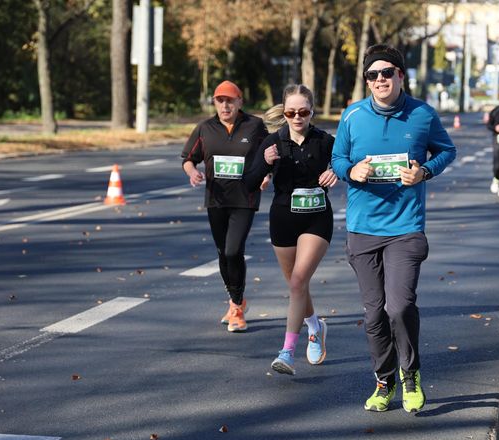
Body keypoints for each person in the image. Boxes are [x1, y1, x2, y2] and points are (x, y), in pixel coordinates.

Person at [331, 44, 456, 413]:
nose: (380, 79)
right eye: (373, 75)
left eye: (387, 73)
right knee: (373, 314)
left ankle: (410, 373)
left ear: (401, 75)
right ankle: (383, 382)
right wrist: (350, 171)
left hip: (405, 227)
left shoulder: (422, 114)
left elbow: (446, 150)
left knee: (398, 306)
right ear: (367, 80)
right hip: (363, 228)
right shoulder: (352, 116)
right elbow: (338, 158)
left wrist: (424, 171)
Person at [243, 84, 337, 375]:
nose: (297, 117)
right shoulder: (272, 142)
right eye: (291, 112)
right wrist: (265, 164)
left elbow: (347, 164)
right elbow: (248, 182)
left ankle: (286, 352)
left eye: (303, 112)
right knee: (297, 285)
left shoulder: (325, 141)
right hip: (283, 219)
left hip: (317, 219)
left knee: (298, 281)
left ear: (312, 112)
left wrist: (336, 170)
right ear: (284, 112)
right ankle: (315, 326)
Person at [181, 80, 268, 332]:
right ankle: (235, 301)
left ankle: (237, 306)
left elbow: (269, 154)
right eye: (220, 100)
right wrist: (192, 172)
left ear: (240, 101)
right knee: (222, 253)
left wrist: (266, 174)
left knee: (233, 250)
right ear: (215, 103)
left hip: (245, 198)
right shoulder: (205, 128)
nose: (225, 105)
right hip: (216, 200)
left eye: (230, 100)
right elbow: (189, 158)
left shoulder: (254, 126)